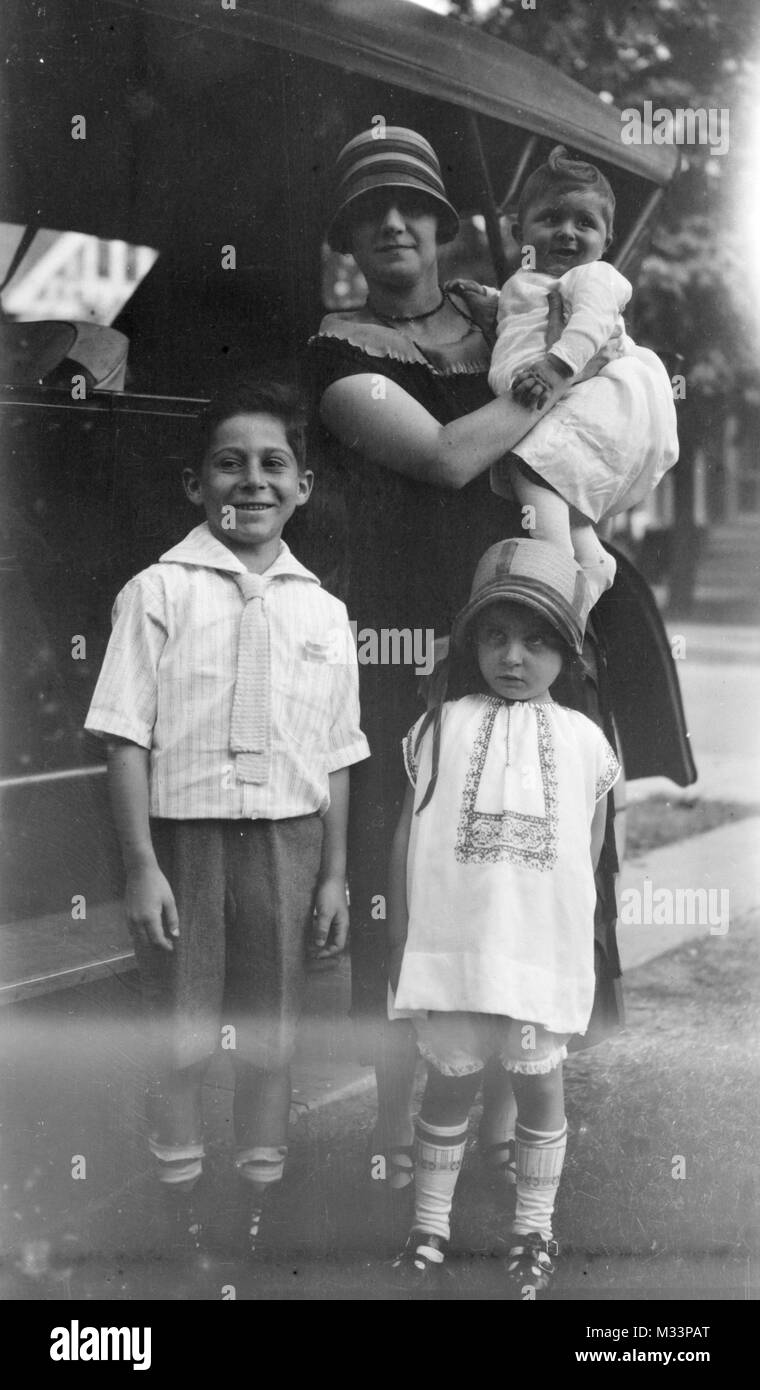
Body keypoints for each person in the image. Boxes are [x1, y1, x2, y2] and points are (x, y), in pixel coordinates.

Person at [308, 126, 617, 1198]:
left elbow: (603, 368)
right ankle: (402, 1113)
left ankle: (503, 1111)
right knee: (420, 867)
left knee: (514, 859)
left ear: (442, 225)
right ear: (348, 235)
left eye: (413, 205)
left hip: (517, 617)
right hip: (404, 634)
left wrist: (566, 359)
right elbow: (443, 459)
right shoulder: (338, 351)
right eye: (370, 210)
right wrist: (548, 382)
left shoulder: (501, 311)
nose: (394, 224)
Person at [84, 379, 369, 1256]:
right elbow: (125, 739)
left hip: (290, 848)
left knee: (271, 1041)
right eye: (229, 464)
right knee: (181, 1037)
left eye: (273, 464)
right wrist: (141, 869)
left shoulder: (323, 610)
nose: (252, 481)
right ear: (195, 483)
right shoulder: (157, 593)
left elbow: (338, 754)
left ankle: (258, 1201)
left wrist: (332, 876)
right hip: (185, 847)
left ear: (303, 487)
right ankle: (179, 1205)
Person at [387, 538, 620, 1296]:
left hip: (534, 950)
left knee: (539, 1088)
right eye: (495, 636)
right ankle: (429, 1225)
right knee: (449, 1084)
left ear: (568, 651)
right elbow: (409, 835)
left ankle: (534, 1229)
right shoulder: (442, 727)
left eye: (536, 640)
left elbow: (585, 861)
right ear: (471, 642)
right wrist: (400, 937)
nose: (513, 657)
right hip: (457, 949)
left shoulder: (585, 744)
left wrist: (570, 948)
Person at [487, 145, 678, 607]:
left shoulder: (593, 276)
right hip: (573, 397)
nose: (567, 233)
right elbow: (523, 318)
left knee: (535, 469)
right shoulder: (530, 283)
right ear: (519, 232)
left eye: (584, 223)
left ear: (606, 241)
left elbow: (591, 323)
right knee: (559, 485)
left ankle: (554, 577)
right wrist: (487, 302)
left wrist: (554, 367)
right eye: (551, 219)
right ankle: (591, 564)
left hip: (603, 393)